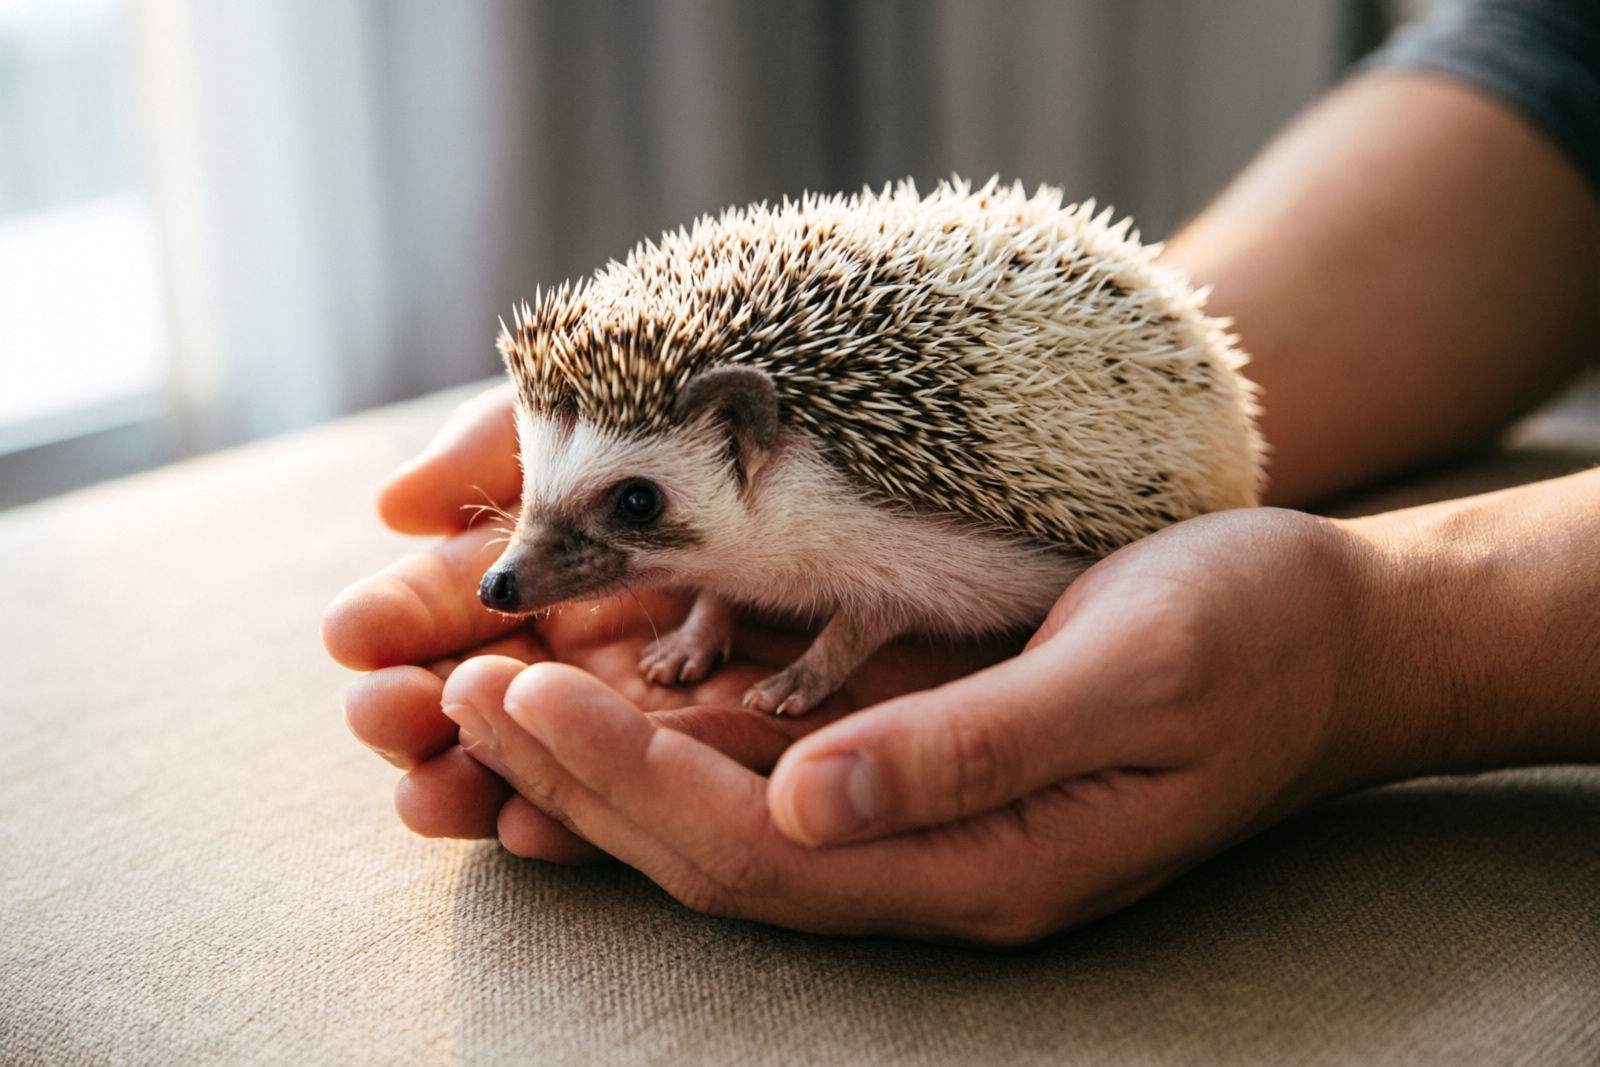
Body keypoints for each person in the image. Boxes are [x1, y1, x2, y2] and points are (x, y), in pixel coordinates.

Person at [321, 1, 1600, 943]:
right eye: (552, 514)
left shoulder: (829, 507)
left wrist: (1385, 640)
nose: (526, 565)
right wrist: (703, 600)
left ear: (750, 443)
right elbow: (1558, 63)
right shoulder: (741, 482)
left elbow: (889, 591)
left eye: (629, 507)